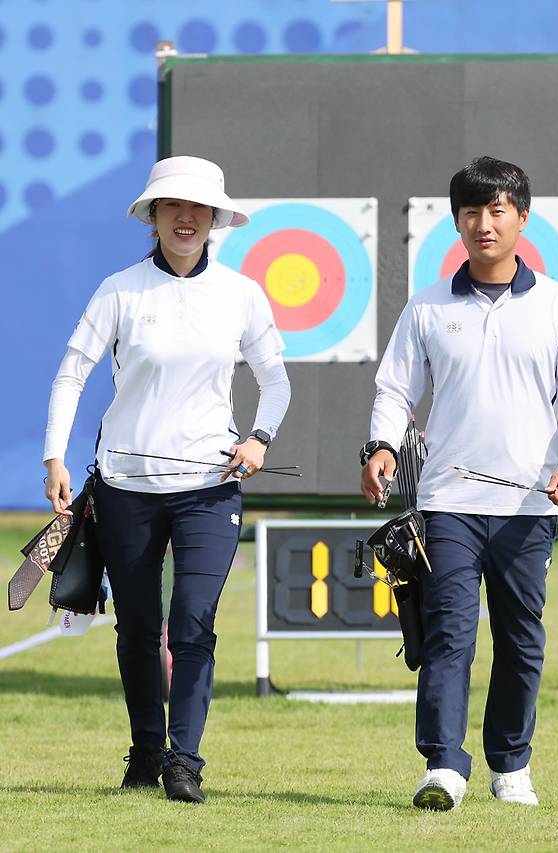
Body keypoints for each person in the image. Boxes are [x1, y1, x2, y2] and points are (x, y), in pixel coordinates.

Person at [360, 156, 558, 810]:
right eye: (471, 211)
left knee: (522, 636)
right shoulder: (427, 306)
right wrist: (384, 445)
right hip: (447, 502)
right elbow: (394, 388)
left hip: (529, 504)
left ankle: (511, 763)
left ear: (522, 219)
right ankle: (443, 765)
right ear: (456, 222)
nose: (484, 223)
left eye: (498, 209)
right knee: (448, 633)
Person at [43, 156, 291, 804]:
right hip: (125, 487)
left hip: (210, 488)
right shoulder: (119, 289)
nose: (186, 218)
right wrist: (54, 458)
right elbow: (72, 372)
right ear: (152, 217)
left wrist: (259, 438)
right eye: (172, 206)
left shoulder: (240, 292)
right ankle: (147, 748)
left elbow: (276, 380)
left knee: (194, 621)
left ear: (214, 219)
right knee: (136, 627)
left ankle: (185, 760)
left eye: (198, 208)